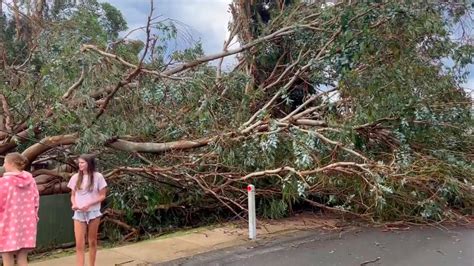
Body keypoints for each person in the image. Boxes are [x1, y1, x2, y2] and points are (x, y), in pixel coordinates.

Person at [0, 153, 39, 266]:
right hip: (27, 225)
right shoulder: (31, 181)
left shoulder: (3, 182)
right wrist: (34, 217)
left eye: (5, 162)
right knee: (23, 259)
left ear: (11, 164)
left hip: (7, 225)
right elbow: (36, 201)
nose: (4, 165)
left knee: (7, 259)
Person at [67, 154, 107, 266]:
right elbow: (73, 195)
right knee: (79, 244)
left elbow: (102, 195)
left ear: (89, 163)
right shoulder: (75, 177)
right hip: (79, 213)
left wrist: (89, 204)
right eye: (79, 162)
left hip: (93, 212)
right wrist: (74, 204)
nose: (80, 165)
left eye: (82, 162)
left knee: (92, 241)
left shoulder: (98, 176)